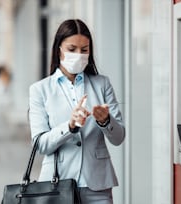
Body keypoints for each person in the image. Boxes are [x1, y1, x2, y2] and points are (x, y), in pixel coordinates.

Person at [28, 19, 125, 204]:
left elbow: (119, 138)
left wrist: (106, 121)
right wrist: (70, 126)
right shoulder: (40, 89)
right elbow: (40, 145)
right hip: (56, 186)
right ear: (59, 50)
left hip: (98, 186)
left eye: (84, 50)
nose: (79, 55)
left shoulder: (102, 84)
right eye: (72, 49)